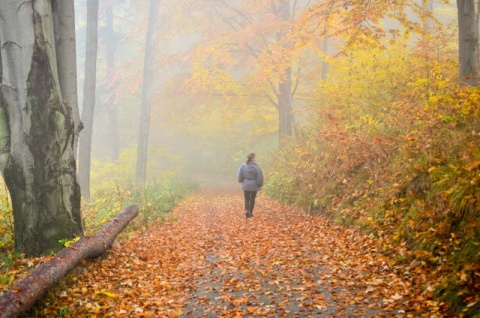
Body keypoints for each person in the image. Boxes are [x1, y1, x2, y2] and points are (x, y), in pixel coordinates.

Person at [237, 153, 264, 218]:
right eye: (255, 157)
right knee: (252, 199)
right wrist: (260, 184)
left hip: (246, 185)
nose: (255, 159)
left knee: (246, 199)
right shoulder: (257, 168)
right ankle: (251, 212)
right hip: (254, 185)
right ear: (252, 159)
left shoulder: (243, 166)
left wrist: (240, 180)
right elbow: (260, 177)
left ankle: (247, 210)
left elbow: (240, 174)